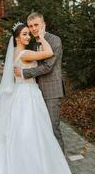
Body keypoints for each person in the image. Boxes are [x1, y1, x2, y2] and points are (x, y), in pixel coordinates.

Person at [0, 22, 71, 174]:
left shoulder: (16, 52)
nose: (28, 37)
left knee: (26, 129)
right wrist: (41, 36)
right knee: (30, 130)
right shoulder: (24, 54)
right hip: (28, 94)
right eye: (25, 34)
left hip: (23, 92)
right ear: (17, 38)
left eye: (28, 33)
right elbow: (49, 53)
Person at [14, 12, 65, 151]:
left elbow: (48, 66)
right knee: (41, 129)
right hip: (35, 92)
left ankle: (60, 165)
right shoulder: (32, 42)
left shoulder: (54, 40)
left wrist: (24, 73)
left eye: (36, 25)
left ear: (44, 25)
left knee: (53, 127)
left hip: (51, 90)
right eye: (30, 26)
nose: (33, 28)